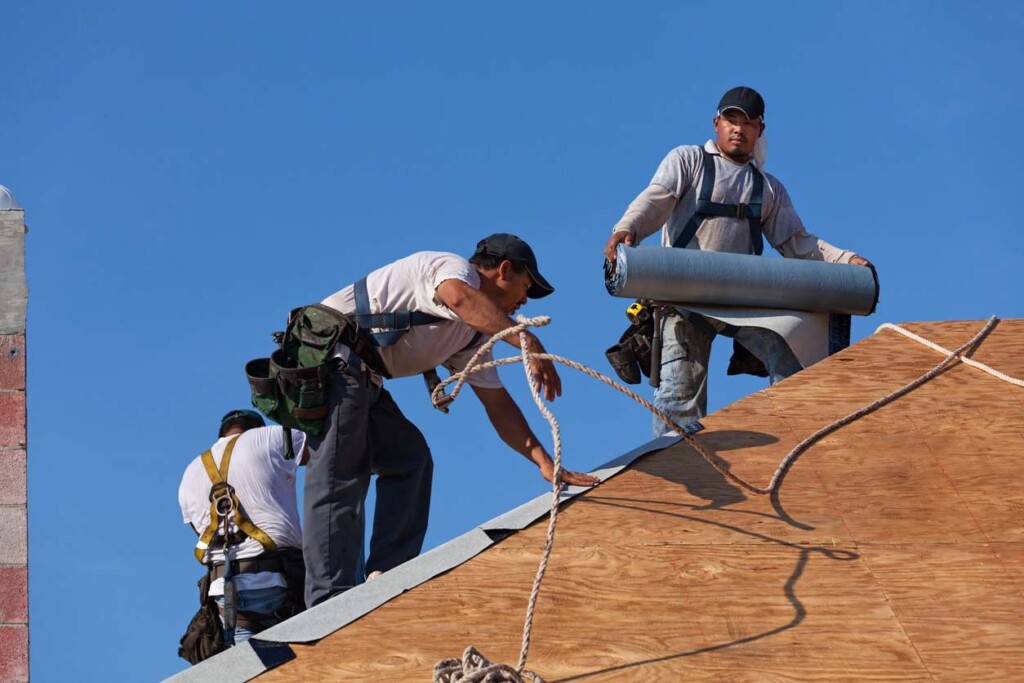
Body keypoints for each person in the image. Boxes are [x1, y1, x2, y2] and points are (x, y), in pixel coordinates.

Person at [300, 233, 599, 607]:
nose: (523, 302)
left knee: (410, 459)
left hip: (363, 379)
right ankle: (329, 600)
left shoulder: (470, 333)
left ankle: (387, 576)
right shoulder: (451, 268)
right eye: (525, 288)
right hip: (333, 363)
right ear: (504, 269)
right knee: (338, 471)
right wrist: (528, 341)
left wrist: (544, 462)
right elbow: (457, 297)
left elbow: (498, 404)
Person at [603, 86, 872, 437]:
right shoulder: (689, 161)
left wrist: (847, 261)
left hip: (742, 302)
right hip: (684, 299)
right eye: (731, 119)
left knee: (791, 352)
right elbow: (656, 199)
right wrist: (628, 229)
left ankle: (795, 440)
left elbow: (797, 242)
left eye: (748, 123)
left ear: (760, 130)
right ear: (716, 122)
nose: (738, 129)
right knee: (679, 395)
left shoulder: (767, 188)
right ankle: (676, 460)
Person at [178, 409, 308, 646]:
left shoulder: (190, 472)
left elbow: (201, 534)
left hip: (225, 598)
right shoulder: (268, 437)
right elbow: (323, 450)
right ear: (258, 428)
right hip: (278, 580)